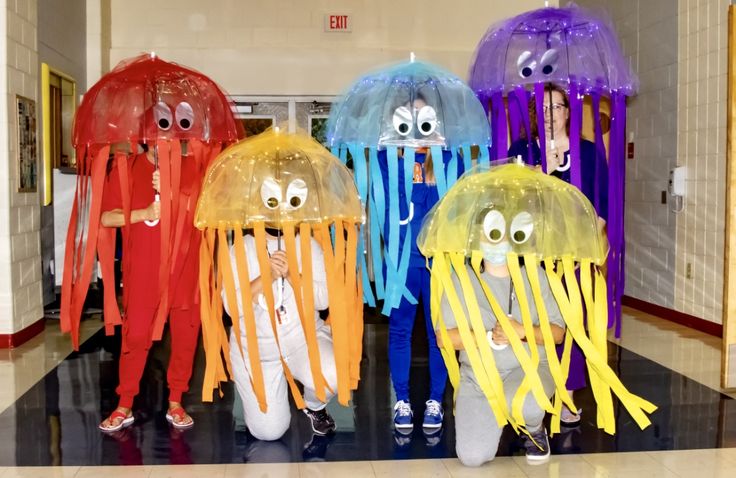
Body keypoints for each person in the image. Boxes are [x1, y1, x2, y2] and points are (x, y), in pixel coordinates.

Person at [508, 84, 608, 424]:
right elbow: (508, 202)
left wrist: (589, 233)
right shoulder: (521, 150)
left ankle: (567, 394)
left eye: (558, 107)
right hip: (531, 254)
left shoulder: (589, 152)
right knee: (532, 321)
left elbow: (602, 202)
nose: (551, 115)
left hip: (574, 255)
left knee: (571, 323)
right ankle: (531, 388)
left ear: (569, 111)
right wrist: (534, 178)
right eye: (543, 108)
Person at [98, 143, 201, 432]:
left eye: (168, 133)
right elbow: (106, 217)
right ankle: (124, 404)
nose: (161, 140)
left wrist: (174, 191)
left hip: (185, 273)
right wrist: (143, 212)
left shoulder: (194, 166)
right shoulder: (125, 168)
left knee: (185, 338)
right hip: (142, 274)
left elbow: (206, 216)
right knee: (136, 337)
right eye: (155, 132)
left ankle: (176, 401)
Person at [438, 236, 566, 466]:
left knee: (522, 403)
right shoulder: (461, 278)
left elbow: (558, 334)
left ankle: (534, 428)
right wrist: (488, 336)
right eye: (490, 233)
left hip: (528, 369)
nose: (496, 240)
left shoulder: (535, 275)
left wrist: (521, 332)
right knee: (471, 457)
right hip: (479, 378)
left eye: (501, 233)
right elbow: (444, 338)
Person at [379, 96, 453, 435]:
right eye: (407, 115)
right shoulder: (387, 160)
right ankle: (403, 399)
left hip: (438, 261)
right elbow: (385, 205)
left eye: (423, 115)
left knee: (440, 334)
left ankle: (436, 399)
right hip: (402, 263)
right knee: (400, 332)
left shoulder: (448, 159)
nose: (416, 123)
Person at [224, 228, 338, 441]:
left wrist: (292, 274)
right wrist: (267, 276)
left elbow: (323, 300)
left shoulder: (309, 244)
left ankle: (315, 406)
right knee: (268, 432)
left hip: (303, 341)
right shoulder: (240, 248)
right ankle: (271, 394)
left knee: (332, 377)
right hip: (258, 351)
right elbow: (231, 306)